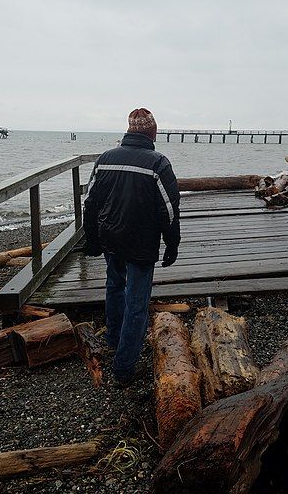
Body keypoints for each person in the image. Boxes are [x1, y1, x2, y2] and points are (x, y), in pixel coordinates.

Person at [82, 108, 181, 386]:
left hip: (110, 238)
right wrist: (172, 244)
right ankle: (124, 368)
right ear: (152, 132)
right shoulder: (158, 163)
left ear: (128, 131)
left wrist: (92, 239)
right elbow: (169, 210)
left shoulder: (106, 159)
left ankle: (114, 339)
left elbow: (90, 202)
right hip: (140, 243)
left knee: (114, 286)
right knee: (137, 302)